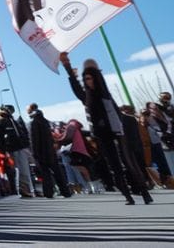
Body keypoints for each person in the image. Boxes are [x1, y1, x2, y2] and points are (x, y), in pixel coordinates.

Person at [58, 52, 152, 205]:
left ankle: (144, 192)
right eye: (86, 79)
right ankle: (128, 196)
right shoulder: (86, 97)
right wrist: (68, 68)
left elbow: (116, 113)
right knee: (114, 165)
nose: (88, 81)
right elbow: (76, 88)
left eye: (91, 78)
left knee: (129, 162)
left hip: (117, 132)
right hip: (102, 135)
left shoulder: (105, 95)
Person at [25, 104, 70, 198]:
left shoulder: (33, 122)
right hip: (50, 150)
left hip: (40, 152)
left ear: (30, 110)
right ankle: (65, 191)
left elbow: (33, 140)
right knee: (57, 171)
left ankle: (49, 193)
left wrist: (34, 153)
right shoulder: (44, 120)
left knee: (45, 173)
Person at [0, 106, 35, 197]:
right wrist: (3, 151)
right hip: (11, 148)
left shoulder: (12, 120)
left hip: (20, 147)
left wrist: (25, 144)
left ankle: (26, 189)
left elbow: (21, 133)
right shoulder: (0, 122)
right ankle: (21, 190)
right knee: (18, 170)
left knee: (24, 169)